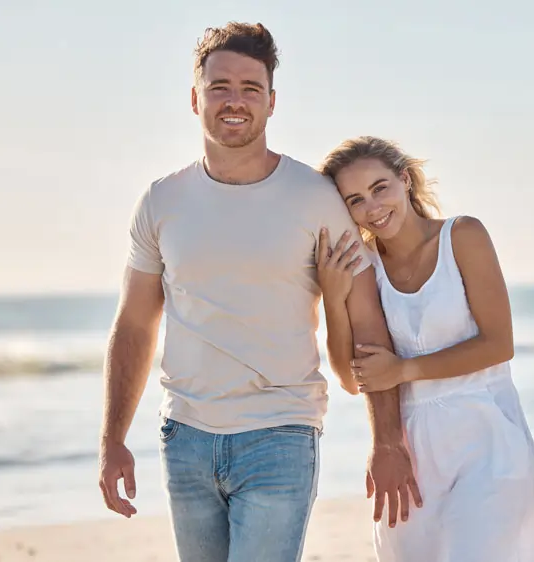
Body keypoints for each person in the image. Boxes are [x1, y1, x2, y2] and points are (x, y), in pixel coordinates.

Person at [96, 24, 420, 562]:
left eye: (251, 88)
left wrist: (387, 441)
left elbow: (367, 325)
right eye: (219, 86)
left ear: (272, 102)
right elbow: (134, 323)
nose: (234, 101)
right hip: (185, 437)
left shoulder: (317, 199)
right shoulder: (161, 202)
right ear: (194, 97)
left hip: (281, 434)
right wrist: (112, 439)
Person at [316, 136, 534, 561]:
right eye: (355, 200)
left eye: (380, 187)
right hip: (414, 451)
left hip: (487, 438)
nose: (372, 207)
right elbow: (353, 379)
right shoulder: (364, 266)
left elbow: (499, 345)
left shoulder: (462, 236)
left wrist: (404, 370)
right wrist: (333, 298)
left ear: (404, 180)